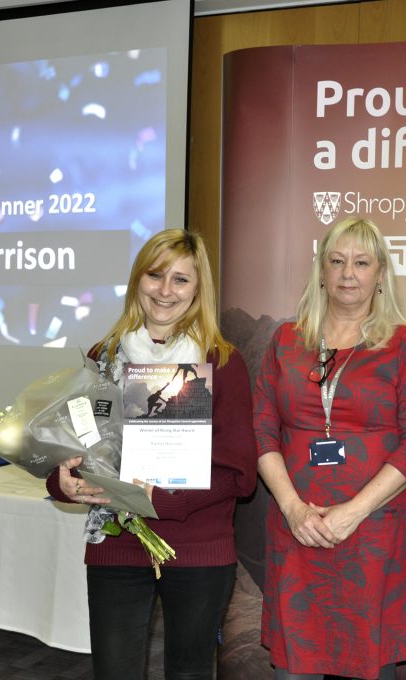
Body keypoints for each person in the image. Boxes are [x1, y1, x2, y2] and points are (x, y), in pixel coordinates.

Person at [46, 229, 257, 680]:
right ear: (137, 280)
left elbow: (240, 475)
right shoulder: (103, 357)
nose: (165, 290)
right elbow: (76, 446)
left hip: (198, 548)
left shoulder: (221, 361)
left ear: (199, 290)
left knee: (189, 672)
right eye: (155, 275)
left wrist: (163, 500)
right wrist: (61, 480)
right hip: (115, 546)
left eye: (181, 280)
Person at [253, 217, 406, 680]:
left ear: (380, 275)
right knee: (294, 668)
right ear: (320, 271)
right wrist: (294, 509)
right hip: (299, 529)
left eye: (361, 262)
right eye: (336, 261)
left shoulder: (401, 346)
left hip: (376, 532)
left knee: (367, 667)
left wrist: (352, 512)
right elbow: (263, 430)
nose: (348, 273)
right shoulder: (285, 340)